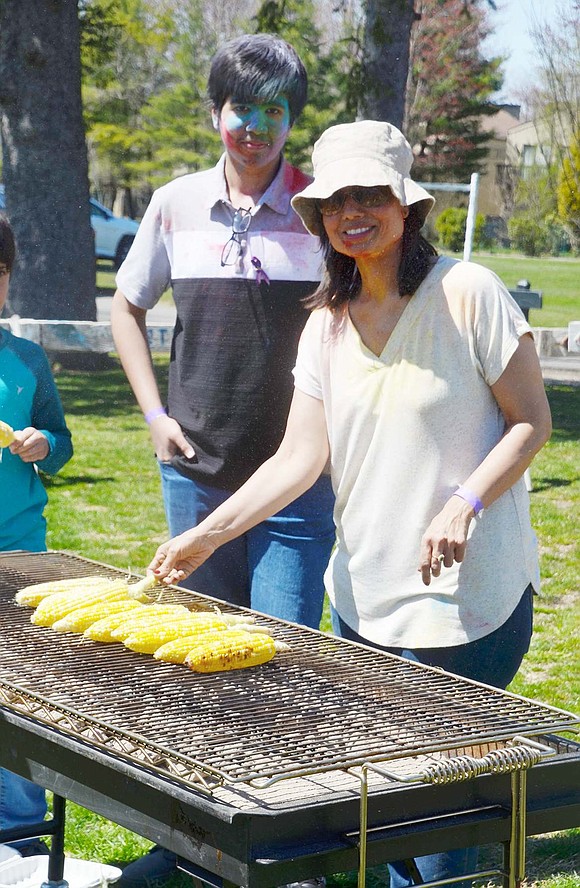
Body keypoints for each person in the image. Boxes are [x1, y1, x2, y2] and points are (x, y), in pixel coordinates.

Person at [147, 121, 552, 888]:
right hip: (362, 603)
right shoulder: (326, 324)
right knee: (374, 823)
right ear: (319, 217)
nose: (352, 212)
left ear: (407, 206)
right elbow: (300, 459)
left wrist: (464, 501)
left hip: (464, 607)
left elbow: (532, 419)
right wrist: (207, 533)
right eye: (336, 200)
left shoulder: (467, 293)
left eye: (370, 195)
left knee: (433, 837)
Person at [112, 33, 334, 888]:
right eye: (243, 108)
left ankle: (282, 847)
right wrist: (155, 414)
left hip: (297, 485)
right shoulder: (172, 205)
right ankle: (197, 841)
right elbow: (127, 309)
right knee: (199, 660)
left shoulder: (323, 209)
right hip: (195, 478)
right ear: (218, 111)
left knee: (281, 663)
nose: (257, 127)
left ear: (291, 121)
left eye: (275, 111)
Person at [0, 213, 73, 854]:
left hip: (18, 547)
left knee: (17, 691)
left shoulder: (25, 359)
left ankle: (20, 827)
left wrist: (44, 443)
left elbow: (61, 440)